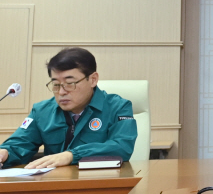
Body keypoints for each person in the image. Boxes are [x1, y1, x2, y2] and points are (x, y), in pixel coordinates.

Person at [0, 47, 137, 169]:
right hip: (54, 186)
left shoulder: (118, 107)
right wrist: (6, 152)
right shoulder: (42, 111)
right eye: (56, 84)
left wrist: (71, 156)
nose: (61, 92)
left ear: (93, 79)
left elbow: (122, 147)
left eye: (70, 83)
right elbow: (21, 143)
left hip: (99, 184)